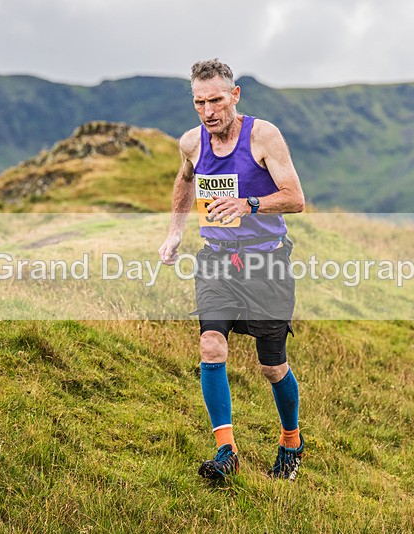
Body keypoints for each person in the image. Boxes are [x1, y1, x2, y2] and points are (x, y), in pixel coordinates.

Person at [158, 59, 306, 480]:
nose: (208, 112)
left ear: (235, 96)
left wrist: (249, 204)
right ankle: (227, 452)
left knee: (272, 365)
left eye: (217, 100)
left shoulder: (263, 136)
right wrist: (175, 232)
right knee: (210, 345)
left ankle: (291, 441)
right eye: (199, 103)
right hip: (217, 259)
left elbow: (295, 198)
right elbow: (185, 180)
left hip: (265, 261)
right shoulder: (191, 143)